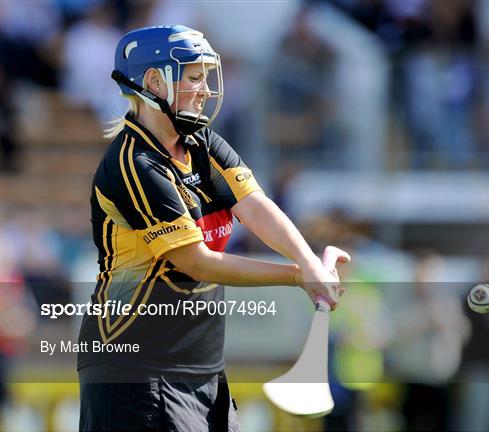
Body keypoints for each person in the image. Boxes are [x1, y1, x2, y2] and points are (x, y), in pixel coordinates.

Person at [77, 25, 347, 432]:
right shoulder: (134, 164)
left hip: (200, 367)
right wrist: (297, 277)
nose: (206, 89)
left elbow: (255, 206)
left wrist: (309, 261)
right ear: (155, 81)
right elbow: (196, 262)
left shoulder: (201, 142)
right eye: (195, 76)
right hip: (134, 368)